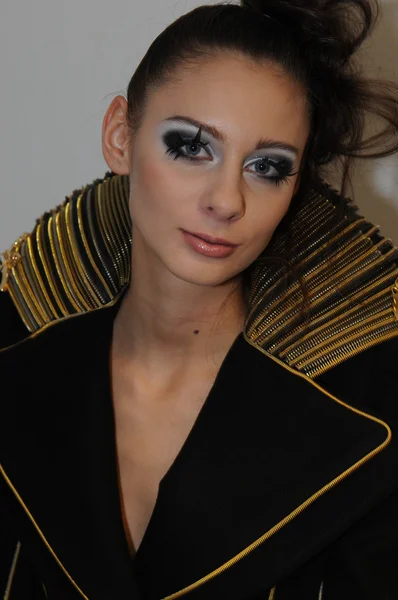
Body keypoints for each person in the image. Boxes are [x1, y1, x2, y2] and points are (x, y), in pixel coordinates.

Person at [1, 0, 398, 598]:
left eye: (267, 166)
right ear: (119, 136)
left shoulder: (369, 411)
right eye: (192, 146)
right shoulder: (15, 359)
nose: (226, 200)